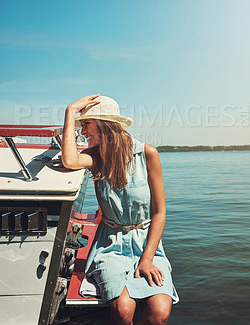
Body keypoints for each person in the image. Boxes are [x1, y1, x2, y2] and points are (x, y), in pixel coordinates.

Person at [62, 94, 178, 325]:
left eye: (86, 124)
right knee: (123, 311)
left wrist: (147, 259)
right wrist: (70, 110)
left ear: (105, 124)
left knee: (159, 313)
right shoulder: (94, 157)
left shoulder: (148, 154)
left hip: (148, 244)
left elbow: (159, 212)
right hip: (110, 245)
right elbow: (69, 160)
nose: (82, 132)